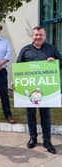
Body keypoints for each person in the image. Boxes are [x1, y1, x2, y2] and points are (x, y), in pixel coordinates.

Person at [17, 26, 61, 154]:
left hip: (46, 90)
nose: (38, 37)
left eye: (40, 35)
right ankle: (33, 138)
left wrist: (55, 61)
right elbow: (18, 68)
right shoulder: (25, 50)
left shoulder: (51, 49)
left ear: (45, 36)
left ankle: (47, 140)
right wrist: (16, 83)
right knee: (30, 114)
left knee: (45, 115)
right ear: (32, 36)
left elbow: (60, 63)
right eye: (36, 35)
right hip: (29, 90)